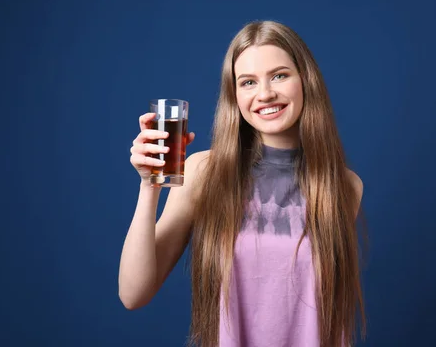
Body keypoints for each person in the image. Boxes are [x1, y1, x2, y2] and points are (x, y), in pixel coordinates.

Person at [119, 20, 366, 347]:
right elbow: (133, 293)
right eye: (248, 82)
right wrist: (149, 185)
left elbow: (327, 323)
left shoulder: (344, 186)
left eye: (279, 75)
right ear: (234, 96)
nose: (265, 93)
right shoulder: (205, 172)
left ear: (305, 79)